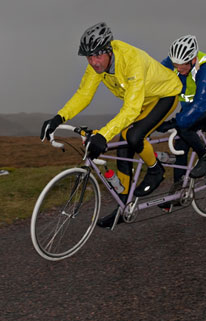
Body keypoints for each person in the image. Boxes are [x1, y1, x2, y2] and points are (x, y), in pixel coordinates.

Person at [40, 22, 183, 228]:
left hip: (164, 96)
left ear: (109, 50)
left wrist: (102, 135)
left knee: (133, 136)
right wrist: (58, 118)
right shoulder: (95, 67)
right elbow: (84, 94)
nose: (94, 62)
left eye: (98, 55)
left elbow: (131, 110)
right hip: (142, 100)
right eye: (89, 57)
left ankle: (156, 170)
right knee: (123, 148)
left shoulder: (131, 60)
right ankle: (123, 208)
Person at [158, 34, 206, 191]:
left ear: (192, 59)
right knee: (180, 144)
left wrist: (174, 123)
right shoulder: (175, 61)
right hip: (190, 105)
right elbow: (155, 76)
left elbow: (200, 104)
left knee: (185, 127)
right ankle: (179, 189)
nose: (178, 68)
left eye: (183, 65)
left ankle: (205, 158)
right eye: (175, 64)